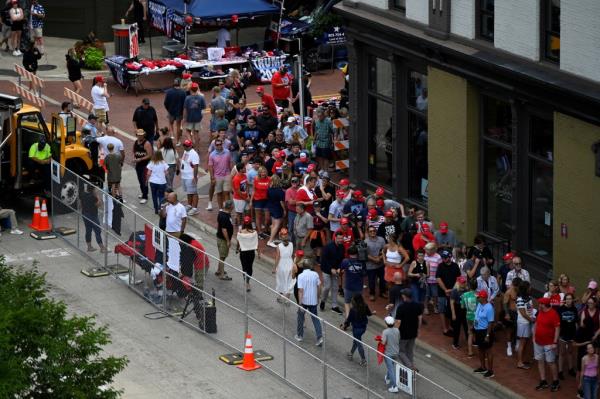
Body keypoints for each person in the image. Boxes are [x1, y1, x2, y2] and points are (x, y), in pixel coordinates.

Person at [534, 297, 561, 392]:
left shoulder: (553, 314)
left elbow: (557, 328)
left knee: (550, 362)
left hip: (549, 343)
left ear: (545, 305)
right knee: (540, 361)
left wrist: (554, 342)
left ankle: (555, 381)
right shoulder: (540, 312)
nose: (539, 305)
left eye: (540, 304)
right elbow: (536, 323)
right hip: (538, 341)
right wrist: (534, 337)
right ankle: (543, 380)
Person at [295, 259, 323, 346]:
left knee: (300, 318)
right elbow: (319, 287)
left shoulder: (301, 276)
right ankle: (319, 337)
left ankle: (300, 335)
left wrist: (300, 304)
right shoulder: (315, 274)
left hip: (304, 301)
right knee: (315, 319)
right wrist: (318, 297)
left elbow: (300, 290)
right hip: (313, 300)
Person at [394, 288, 422, 370]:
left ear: (404, 296)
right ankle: (411, 367)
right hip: (413, 332)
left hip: (403, 333)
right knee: (409, 351)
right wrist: (418, 330)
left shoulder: (401, 307)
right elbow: (420, 318)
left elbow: (398, 322)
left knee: (400, 351)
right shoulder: (417, 305)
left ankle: (410, 367)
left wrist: (395, 332)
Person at [342, 293, 372, 366]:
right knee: (356, 341)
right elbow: (369, 314)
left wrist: (344, 325)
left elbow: (349, 320)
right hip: (363, 328)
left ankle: (363, 359)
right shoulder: (365, 306)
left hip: (356, 329)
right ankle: (351, 353)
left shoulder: (353, 310)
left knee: (358, 343)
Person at [436, 249, 462, 337]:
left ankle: (450, 326)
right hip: (442, 292)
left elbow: (458, 278)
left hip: (453, 292)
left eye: (445, 257)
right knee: (442, 310)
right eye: (443, 257)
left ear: (450, 257)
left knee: (451, 310)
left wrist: (452, 290)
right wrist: (445, 290)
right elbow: (438, 278)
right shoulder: (440, 266)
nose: (443, 259)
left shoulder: (455, 266)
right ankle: (445, 329)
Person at [319, 231, 344, 314]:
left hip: (336, 270)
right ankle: (323, 300)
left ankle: (334, 305)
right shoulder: (328, 247)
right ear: (335, 238)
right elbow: (324, 260)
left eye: (342, 238)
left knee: (335, 287)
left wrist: (340, 268)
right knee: (327, 286)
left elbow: (342, 259)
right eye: (339, 238)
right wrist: (331, 269)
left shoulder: (342, 247)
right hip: (326, 270)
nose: (341, 240)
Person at [473, 289, 495, 378]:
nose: (477, 298)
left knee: (488, 351)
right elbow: (477, 316)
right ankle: (483, 367)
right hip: (478, 330)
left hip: (485, 331)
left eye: (479, 297)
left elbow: (491, 323)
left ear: (484, 298)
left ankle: (490, 371)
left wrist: (487, 335)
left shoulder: (489, 308)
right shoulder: (479, 304)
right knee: (480, 349)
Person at [340, 246, 366, 317]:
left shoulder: (345, 261)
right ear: (357, 253)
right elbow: (364, 273)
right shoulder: (362, 262)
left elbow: (340, 271)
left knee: (347, 303)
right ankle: (357, 318)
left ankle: (347, 320)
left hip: (348, 286)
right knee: (357, 304)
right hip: (359, 287)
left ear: (348, 253)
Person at [80, 183, 107, 253]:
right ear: (93, 190)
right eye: (95, 189)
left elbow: (81, 204)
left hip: (85, 214)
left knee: (88, 230)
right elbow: (99, 204)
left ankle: (89, 247)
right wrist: (98, 196)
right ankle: (102, 248)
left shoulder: (83, 194)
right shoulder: (93, 197)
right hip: (93, 215)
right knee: (97, 230)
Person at [207, 139, 232, 211]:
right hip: (217, 176)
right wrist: (212, 177)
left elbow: (230, 163)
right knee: (219, 193)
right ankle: (221, 208)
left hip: (227, 175)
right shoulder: (212, 155)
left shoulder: (227, 152)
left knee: (227, 192)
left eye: (220, 144)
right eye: (217, 145)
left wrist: (231, 174)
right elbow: (210, 167)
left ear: (222, 144)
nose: (219, 146)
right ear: (215, 145)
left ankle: (227, 208)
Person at [237, 216, 260, 292]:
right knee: (250, 267)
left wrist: (237, 249)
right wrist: (259, 253)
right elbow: (257, 243)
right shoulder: (254, 232)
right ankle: (247, 282)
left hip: (243, 252)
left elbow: (238, 242)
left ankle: (246, 282)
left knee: (244, 267)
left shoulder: (240, 232)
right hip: (251, 252)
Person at [558, 292, 578, 380]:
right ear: (565, 300)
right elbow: (558, 323)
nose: (569, 300)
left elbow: (576, 322)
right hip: (563, 334)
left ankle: (570, 369)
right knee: (561, 353)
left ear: (572, 300)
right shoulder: (561, 309)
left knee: (570, 352)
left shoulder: (574, 309)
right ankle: (560, 371)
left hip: (571, 334)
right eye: (567, 299)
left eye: (570, 299)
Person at [515, 280, 534, 370]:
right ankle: (519, 362)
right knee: (522, 343)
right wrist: (531, 320)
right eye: (529, 287)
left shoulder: (529, 298)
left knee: (526, 342)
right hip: (523, 323)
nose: (531, 288)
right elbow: (523, 313)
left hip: (528, 322)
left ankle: (524, 359)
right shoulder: (520, 299)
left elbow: (530, 310)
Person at [365, 225, 386, 301]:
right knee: (371, 281)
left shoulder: (381, 239)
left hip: (380, 264)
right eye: (370, 231)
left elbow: (384, 250)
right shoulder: (365, 242)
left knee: (383, 280)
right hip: (370, 265)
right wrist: (374, 259)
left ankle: (382, 292)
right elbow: (365, 254)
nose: (372, 232)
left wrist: (379, 258)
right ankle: (372, 294)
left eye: (374, 231)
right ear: (368, 233)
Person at [163, 78, 187, 146]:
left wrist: (169, 109)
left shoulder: (169, 92)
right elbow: (184, 104)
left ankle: (172, 135)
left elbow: (165, 103)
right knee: (178, 126)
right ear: (179, 84)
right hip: (179, 112)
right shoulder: (183, 92)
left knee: (170, 123)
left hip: (171, 111)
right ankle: (178, 141)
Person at [180, 139, 200, 215]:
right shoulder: (185, 151)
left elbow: (196, 166)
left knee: (194, 192)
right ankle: (189, 205)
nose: (185, 147)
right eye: (184, 145)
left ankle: (195, 208)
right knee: (189, 191)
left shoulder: (194, 154)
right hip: (185, 176)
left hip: (190, 176)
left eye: (187, 146)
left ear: (191, 145)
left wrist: (194, 177)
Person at [382, 315, 401, 393]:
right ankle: (388, 378)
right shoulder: (397, 330)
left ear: (386, 323)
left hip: (388, 353)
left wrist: (379, 340)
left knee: (391, 369)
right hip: (396, 352)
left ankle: (394, 386)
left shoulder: (385, 332)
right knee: (391, 367)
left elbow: (383, 342)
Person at [215, 200, 234, 281]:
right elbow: (224, 230)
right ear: (230, 207)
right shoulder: (224, 216)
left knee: (221, 256)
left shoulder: (223, 214)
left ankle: (219, 270)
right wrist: (228, 241)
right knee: (223, 257)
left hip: (220, 238)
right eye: (233, 205)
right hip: (223, 240)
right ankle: (222, 275)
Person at [274, 228, 294, 301]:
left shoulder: (279, 246)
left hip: (281, 265)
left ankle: (279, 296)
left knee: (280, 280)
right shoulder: (291, 244)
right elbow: (292, 255)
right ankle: (287, 298)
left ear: (280, 236)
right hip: (290, 264)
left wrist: (274, 267)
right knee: (289, 281)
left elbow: (277, 257)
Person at [133, 129, 152, 204]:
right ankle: (143, 193)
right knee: (140, 180)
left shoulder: (147, 143)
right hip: (138, 164)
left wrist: (140, 159)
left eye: (141, 135)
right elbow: (134, 151)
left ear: (144, 135)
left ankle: (145, 196)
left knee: (144, 180)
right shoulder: (136, 142)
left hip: (145, 165)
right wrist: (134, 158)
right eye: (138, 135)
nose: (140, 136)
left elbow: (150, 155)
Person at [266, 174, 286, 247]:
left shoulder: (269, 189)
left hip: (271, 208)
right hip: (277, 209)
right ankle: (270, 240)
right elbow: (281, 202)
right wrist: (284, 210)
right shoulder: (280, 191)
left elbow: (268, 198)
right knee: (276, 225)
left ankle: (272, 239)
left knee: (273, 225)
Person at [251, 166, 270, 238]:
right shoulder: (256, 179)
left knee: (267, 218)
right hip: (258, 200)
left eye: (264, 172)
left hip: (266, 200)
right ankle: (259, 232)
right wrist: (251, 201)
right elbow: (253, 190)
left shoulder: (269, 179)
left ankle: (266, 229)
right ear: (259, 173)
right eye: (262, 172)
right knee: (258, 217)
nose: (263, 173)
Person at [503, 276, 520, 357]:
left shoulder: (520, 290)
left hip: (519, 312)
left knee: (518, 328)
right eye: (516, 287)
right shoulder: (508, 292)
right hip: (511, 312)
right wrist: (507, 314)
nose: (517, 288)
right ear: (513, 285)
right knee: (509, 330)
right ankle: (509, 346)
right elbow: (505, 304)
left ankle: (517, 342)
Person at [460, 279, 478, 357]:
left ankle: (470, 351)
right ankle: (482, 352)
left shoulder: (464, 295)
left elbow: (462, 306)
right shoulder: (478, 295)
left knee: (470, 333)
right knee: (479, 334)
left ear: (469, 286)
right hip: (477, 317)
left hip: (468, 316)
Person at [313, 107, 334, 172]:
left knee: (325, 157)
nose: (319, 116)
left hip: (326, 142)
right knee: (319, 156)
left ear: (323, 114)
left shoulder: (328, 121)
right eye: (318, 115)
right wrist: (314, 139)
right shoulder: (317, 121)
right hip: (319, 141)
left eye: (320, 115)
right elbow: (316, 131)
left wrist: (333, 140)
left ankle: (326, 170)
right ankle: (322, 169)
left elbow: (332, 131)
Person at [450, 275, 468, 349]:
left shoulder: (466, 290)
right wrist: (453, 314)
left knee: (466, 326)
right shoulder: (455, 291)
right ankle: (455, 343)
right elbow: (451, 303)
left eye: (464, 282)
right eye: (462, 282)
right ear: (458, 283)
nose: (463, 283)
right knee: (457, 328)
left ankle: (469, 340)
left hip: (464, 309)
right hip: (457, 309)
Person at [424, 242, 442, 315]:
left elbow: (440, 269)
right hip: (426, 280)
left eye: (428, 250)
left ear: (433, 250)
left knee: (435, 294)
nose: (426, 252)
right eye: (426, 250)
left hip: (434, 280)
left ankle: (435, 307)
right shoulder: (425, 256)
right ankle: (425, 308)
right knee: (426, 295)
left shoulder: (438, 257)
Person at [231, 162, 249, 226]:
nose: (245, 169)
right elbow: (238, 191)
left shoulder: (244, 176)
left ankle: (246, 225)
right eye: (244, 168)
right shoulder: (236, 179)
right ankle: (240, 227)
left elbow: (247, 186)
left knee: (247, 212)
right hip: (238, 199)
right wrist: (245, 198)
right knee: (239, 213)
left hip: (245, 197)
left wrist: (247, 196)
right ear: (240, 169)